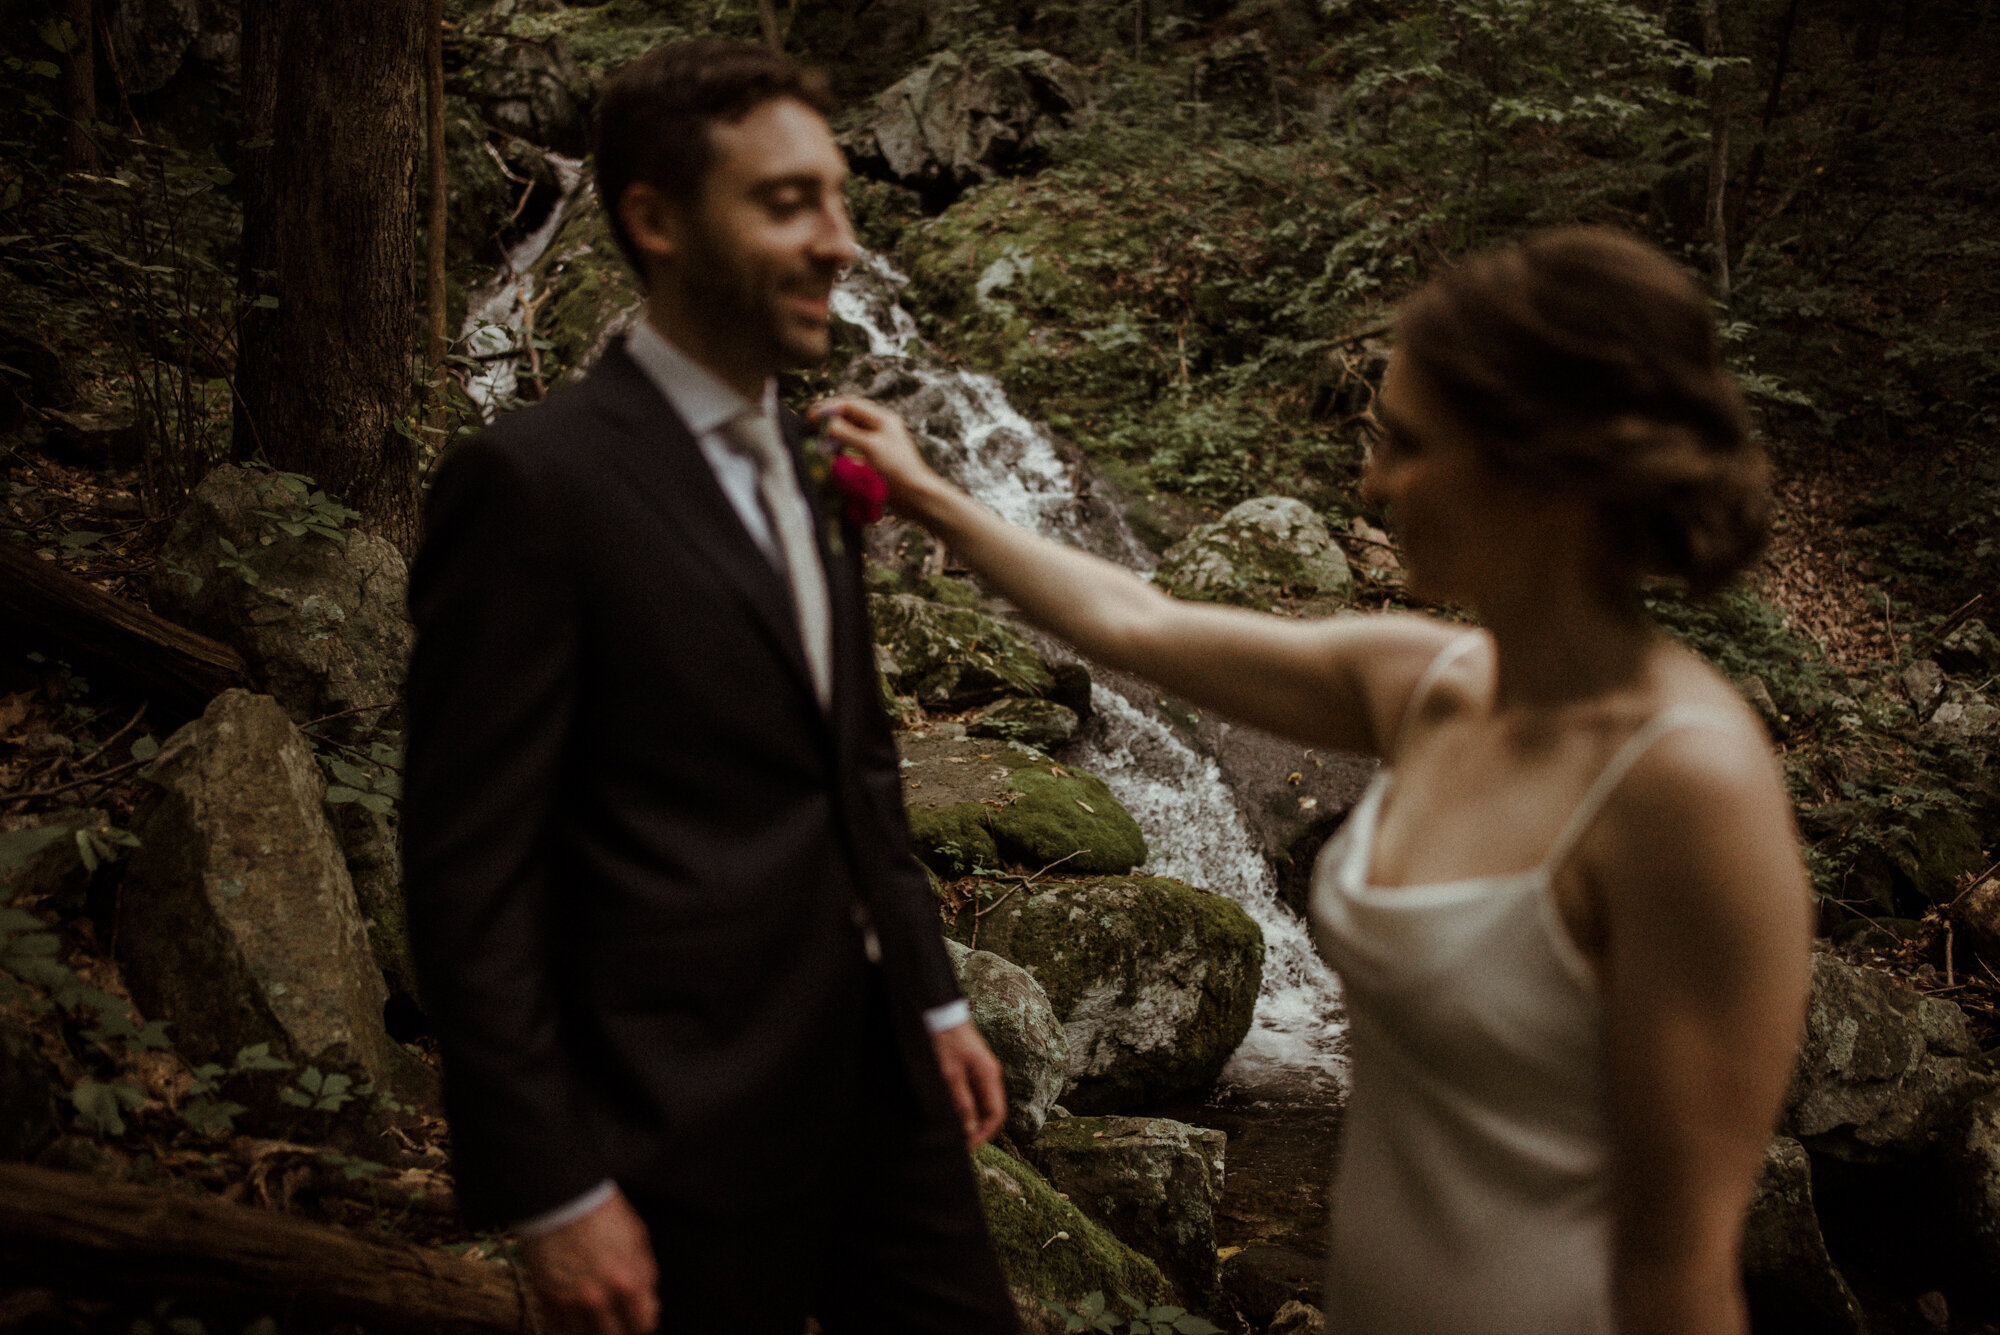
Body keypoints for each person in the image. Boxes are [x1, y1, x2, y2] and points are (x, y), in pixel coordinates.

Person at [823, 227, 1813, 1335]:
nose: (1372, 479)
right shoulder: (1424, 683)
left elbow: (1683, 1274)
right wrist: (927, 495)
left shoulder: (1687, 784)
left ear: (1541, 470)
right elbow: (1132, 621)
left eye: (1407, 443)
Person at [402, 40, 1019, 1335]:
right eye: (789, 202)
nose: (840, 242)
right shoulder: (532, 484)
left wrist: (934, 994)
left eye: (840, 201)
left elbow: (853, 765)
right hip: (677, 1117)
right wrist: (555, 1183)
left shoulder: (811, 454)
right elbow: (471, 870)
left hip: (887, 1082)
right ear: (655, 220)